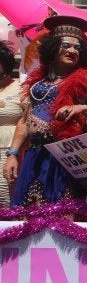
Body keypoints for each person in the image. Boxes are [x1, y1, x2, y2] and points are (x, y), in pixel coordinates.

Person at [3, 15, 87, 207]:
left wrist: (82, 108)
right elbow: (25, 120)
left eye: (77, 47)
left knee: (62, 219)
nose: (72, 51)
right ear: (52, 47)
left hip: (65, 158)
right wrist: (13, 154)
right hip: (34, 156)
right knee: (28, 218)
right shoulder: (37, 82)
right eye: (66, 45)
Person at [0, 41, 21, 207]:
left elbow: (28, 121)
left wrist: (13, 153)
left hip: (9, 154)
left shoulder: (20, 88)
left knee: (7, 201)